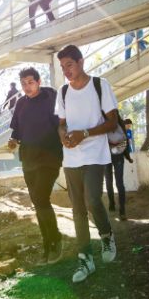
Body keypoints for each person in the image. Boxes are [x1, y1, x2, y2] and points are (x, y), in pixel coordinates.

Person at [55, 44, 118, 283]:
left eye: (69, 65)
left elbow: (112, 122)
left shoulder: (100, 86)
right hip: (71, 157)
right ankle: (85, 259)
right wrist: (63, 135)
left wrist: (85, 133)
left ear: (81, 62)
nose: (66, 71)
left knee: (92, 199)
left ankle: (106, 234)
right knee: (77, 208)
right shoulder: (62, 92)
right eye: (62, 67)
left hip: (95, 154)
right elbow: (61, 122)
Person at [8, 67, 64, 264]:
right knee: (38, 202)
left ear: (39, 82)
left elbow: (62, 124)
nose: (26, 87)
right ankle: (47, 244)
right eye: (23, 84)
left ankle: (55, 240)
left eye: (30, 82)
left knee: (41, 198)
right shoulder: (21, 103)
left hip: (49, 158)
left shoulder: (51, 97)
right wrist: (13, 140)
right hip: (28, 160)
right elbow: (16, 130)